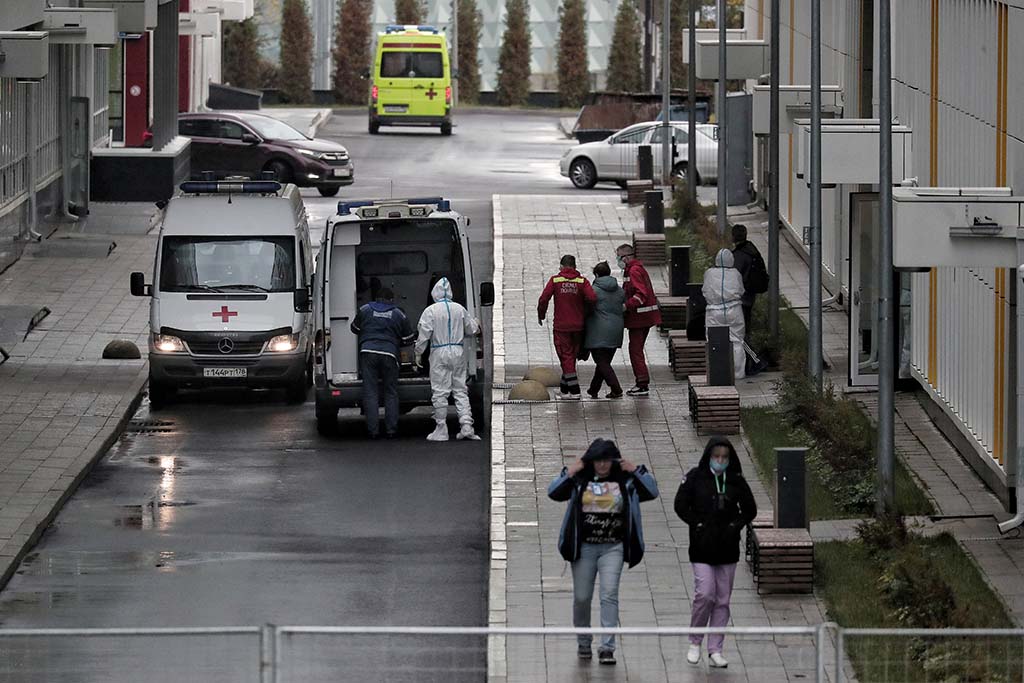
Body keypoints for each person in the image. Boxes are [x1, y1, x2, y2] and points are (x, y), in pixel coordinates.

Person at [548, 438, 659, 666]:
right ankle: (583, 642)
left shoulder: (625, 479)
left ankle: (607, 648)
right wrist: (571, 470)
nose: (602, 466)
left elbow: (652, 491)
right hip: (584, 548)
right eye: (597, 460)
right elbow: (554, 492)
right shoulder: (581, 479)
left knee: (609, 595)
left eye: (606, 460)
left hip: (613, 548)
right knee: (582, 597)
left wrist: (635, 469)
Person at [674, 436, 757, 669]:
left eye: (724, 457)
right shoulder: (695, 477)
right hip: (702, 548)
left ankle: (716, 649)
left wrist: (735, 526)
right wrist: (696, 524)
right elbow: (680, 504)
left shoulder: (736, 481)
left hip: (727, 549)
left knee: (722, 600)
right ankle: (695, 640)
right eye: (716, 457)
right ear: (709, 456)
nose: (720, 461)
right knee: (705, 594)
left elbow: (750, 509)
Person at [415, 277, 481, 442]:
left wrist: (418, 353)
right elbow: (472, 329)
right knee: (460, 389)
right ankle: (466, 426)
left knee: (440, 391)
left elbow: (424, 335)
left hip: (439, 351)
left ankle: (441, 428)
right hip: (458, 350)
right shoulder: (460, 309)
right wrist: (476, 323)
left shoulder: (430, 311)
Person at [350, 288, 416, 439]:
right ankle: (391, 430)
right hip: (389, 354)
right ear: (391, 300)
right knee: (391, 392)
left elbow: (354, 328)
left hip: (368, 352)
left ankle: (373, 431)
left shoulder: (365, 309)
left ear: (377, 297)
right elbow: (409, 338)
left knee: (370, 392)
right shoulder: (398, 314)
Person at [538, 255, 597, 399]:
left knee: (565, 357)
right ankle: (564, 390)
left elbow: (544, 298)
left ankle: (575, 391)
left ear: (562, 266)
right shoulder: (582, 281)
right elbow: (592, 298)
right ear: (574, 266)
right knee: (571, 357)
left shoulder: (556, 280)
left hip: (561, 326)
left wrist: (541, 314)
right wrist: (585, 312)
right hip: (578, 326)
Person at [615, 244, 661, 396]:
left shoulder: (633, 270)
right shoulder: (635, 269)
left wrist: (626, 306)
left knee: (635, 350)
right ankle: (641, 382)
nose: (618, 260)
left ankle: (642, 384)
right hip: (643, 317)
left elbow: (641, 295)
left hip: (640, 318)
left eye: (619, 257)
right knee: (636, 349)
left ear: (626, 257)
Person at [702, 249, 746, 380]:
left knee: (714, 341)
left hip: (714, 312)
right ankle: (738, 373)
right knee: (737, 341)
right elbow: (741, 290)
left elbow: (705, 290)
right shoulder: (736, 273)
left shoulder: (709, 273)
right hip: (734, 310)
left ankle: (717, 371)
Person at [584, 262, 626, 399]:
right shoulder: (619, 290)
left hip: (598, 330)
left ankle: (616, 389)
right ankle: (593, 389)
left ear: (596, 274)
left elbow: (587, 308)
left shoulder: (593, 291)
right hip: (616, 330)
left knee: (602, 362)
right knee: (604, 362)